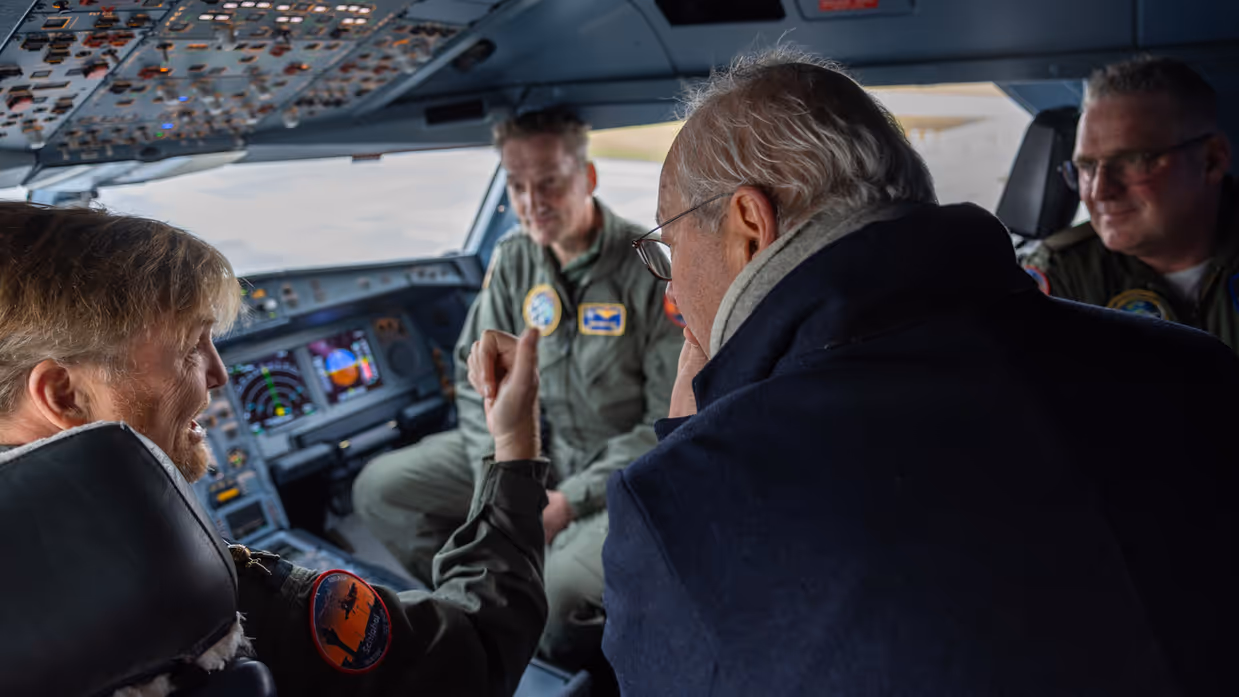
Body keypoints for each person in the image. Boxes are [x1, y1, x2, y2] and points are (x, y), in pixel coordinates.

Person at [479, 48, 1239, 696]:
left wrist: (690, 435)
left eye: (672, 250)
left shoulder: (687, 497)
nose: (671, 287)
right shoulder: (1199, 370)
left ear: (750, 224)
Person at [0, 201, 549, 697]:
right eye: (191, 348)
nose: (219, 374)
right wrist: (514, 442)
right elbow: (476, 651)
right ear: (64, 395)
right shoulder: (206, 596)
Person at [352, 107, 682, 669]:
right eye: (517, 186)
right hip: (520, 451)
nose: (531, 202)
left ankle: (547, 651)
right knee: (381, 491)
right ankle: (480, 613)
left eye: (549, 181)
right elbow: (471, 369)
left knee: (556, 604)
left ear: (589, 178)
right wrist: (502, 472)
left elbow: (666, 422)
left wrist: (567, 502)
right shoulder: (513, 259)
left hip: (610, 475)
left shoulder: (645, 267)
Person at [1022, 55, 1237, 349]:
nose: (1100, 191)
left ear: (1212, 160)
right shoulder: (1064, 276)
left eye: (1132, 162)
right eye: (1086, 167)